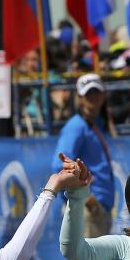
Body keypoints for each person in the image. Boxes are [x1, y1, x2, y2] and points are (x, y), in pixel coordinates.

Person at [52, 74, 116, 239]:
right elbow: (60, 164)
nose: (93, 98)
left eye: (96, 93)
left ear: (103, 95)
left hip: (95, 207)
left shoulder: (93, 124)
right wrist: (87, 198)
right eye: (88, 94)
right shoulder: (76, 126)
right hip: (87, 209)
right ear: (79, 98)